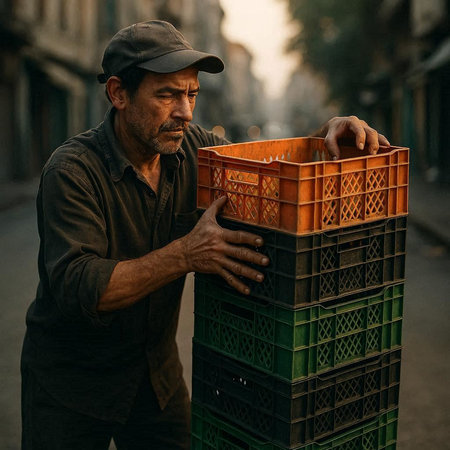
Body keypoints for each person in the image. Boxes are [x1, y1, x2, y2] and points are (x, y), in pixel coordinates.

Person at [20, 20, 390, 450]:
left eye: (191, 94)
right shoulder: (71, 172)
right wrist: (185, 254)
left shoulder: (194, 148)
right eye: (167, 95)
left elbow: (265, 177)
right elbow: (79, 287)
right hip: (70, 385)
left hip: (155, 378)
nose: (186, 111)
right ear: (118, 94)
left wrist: (325, 137)